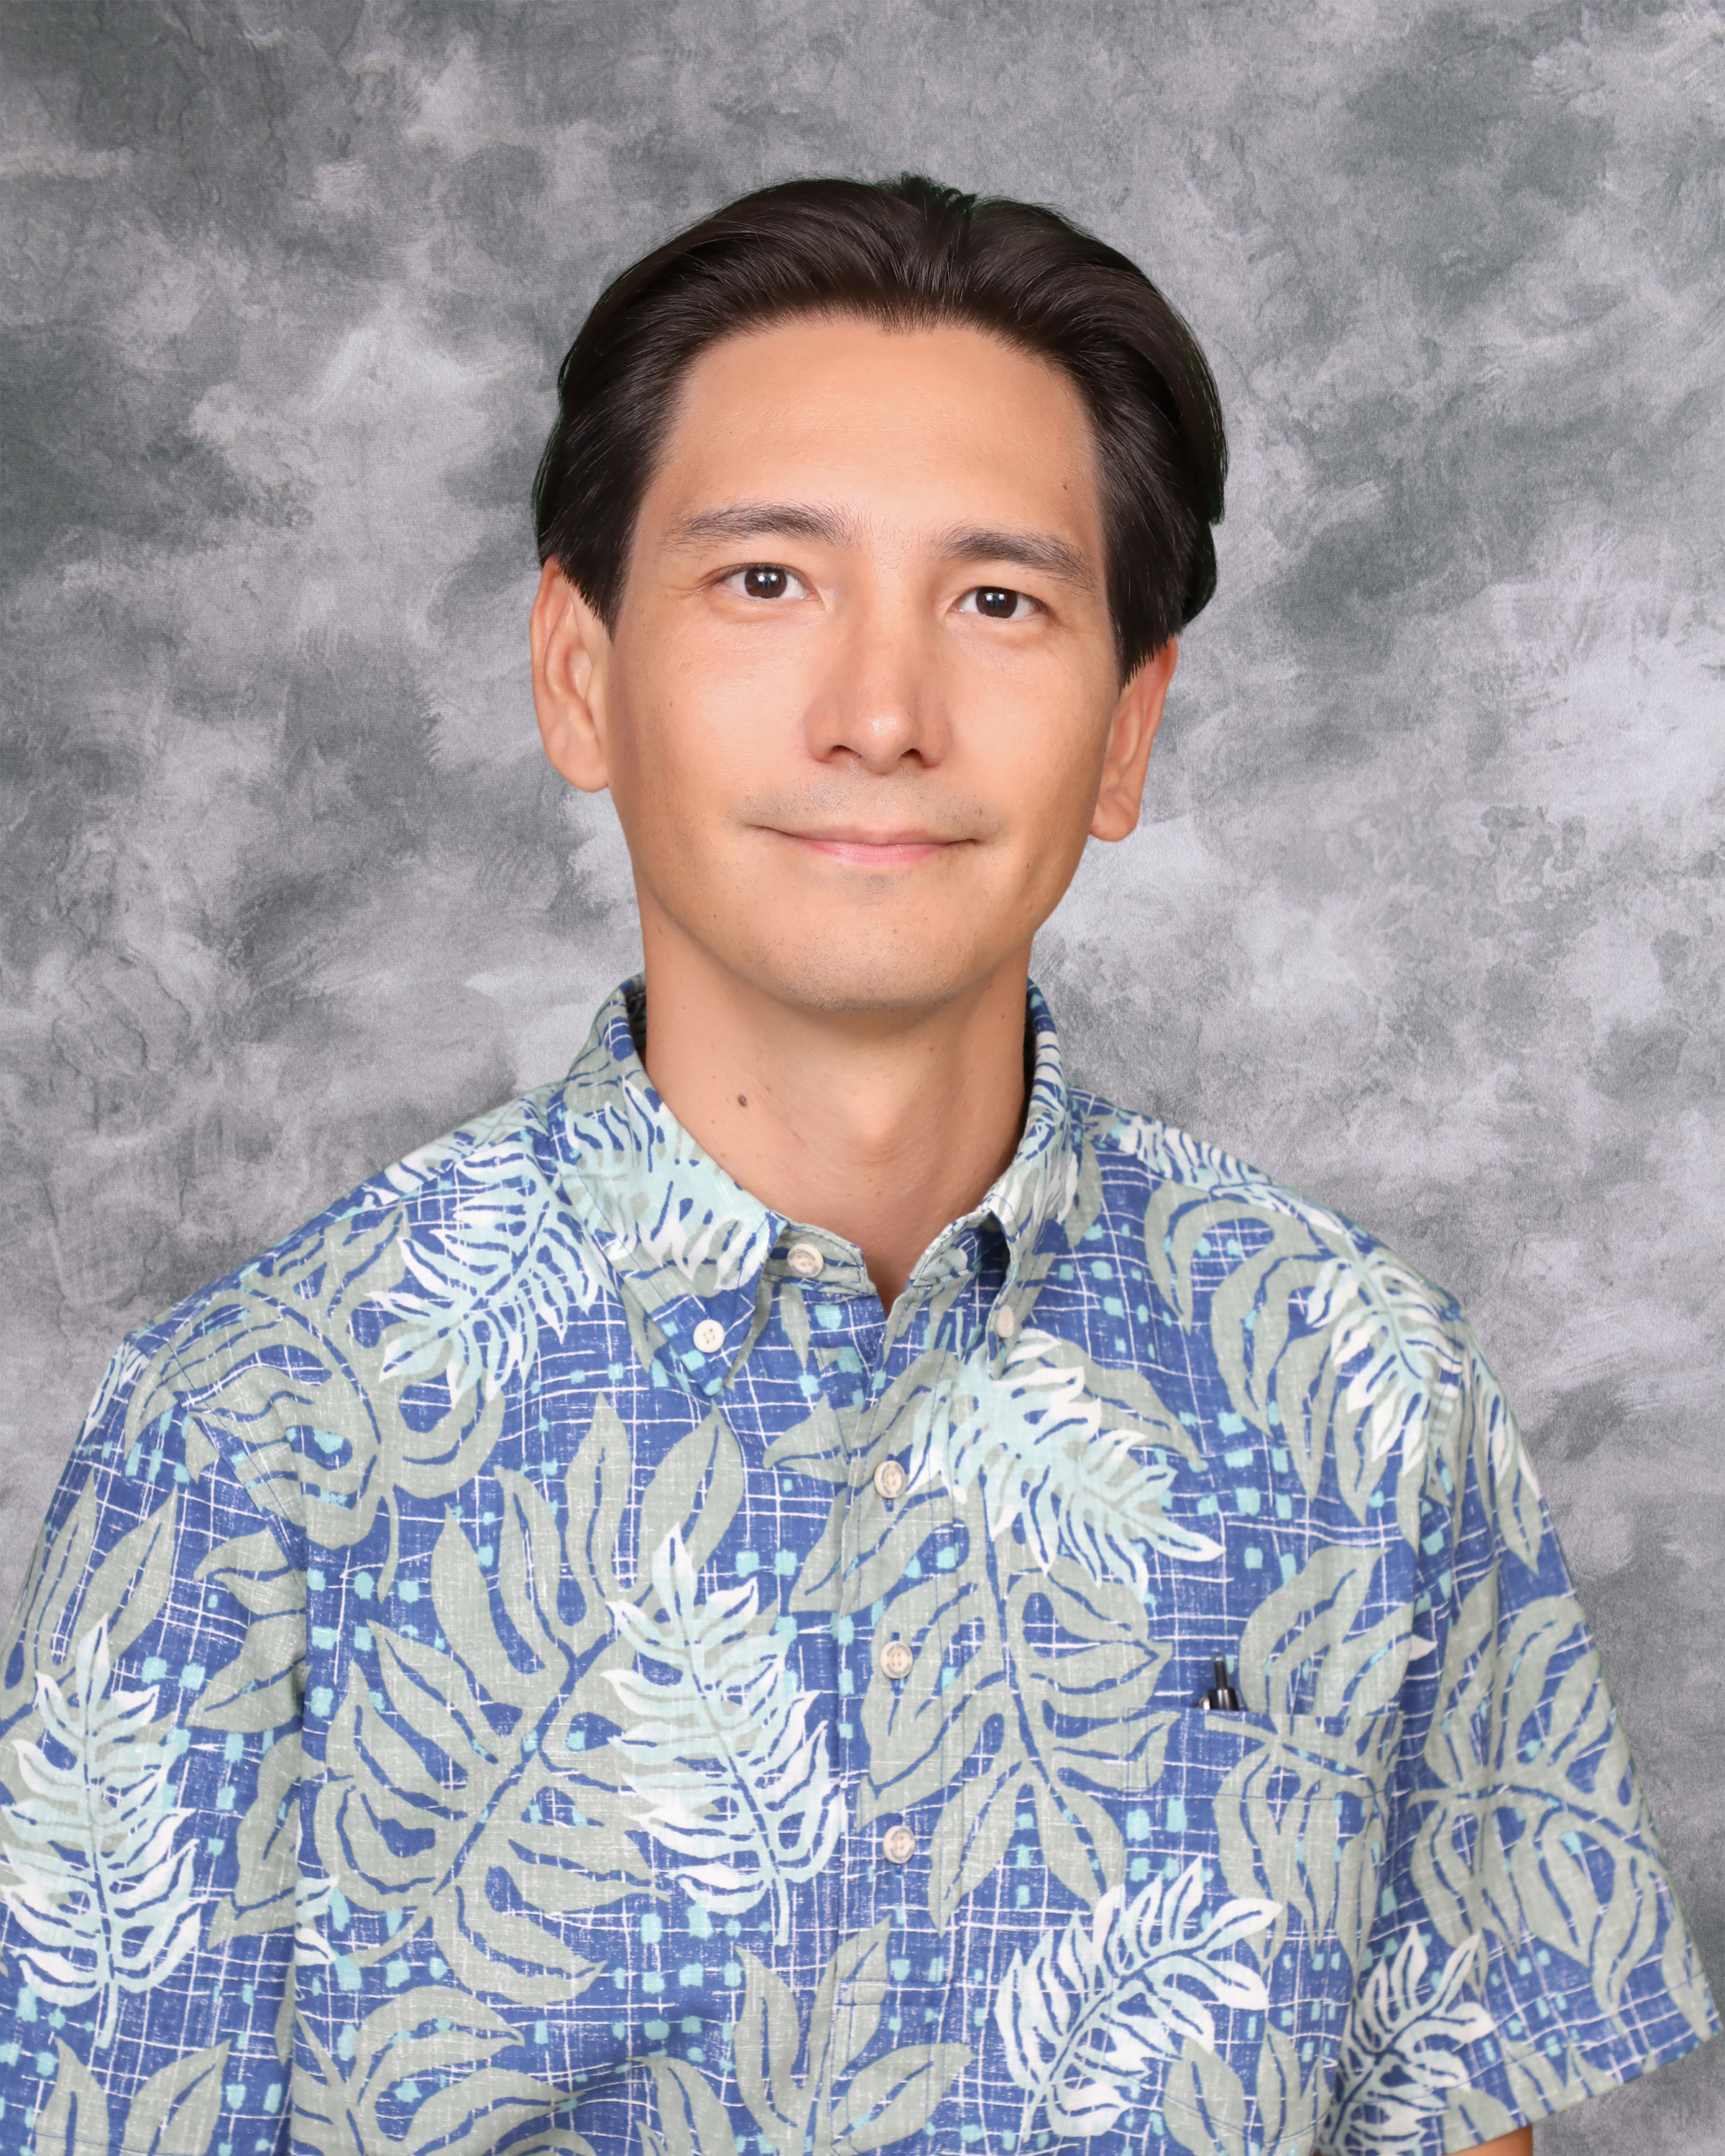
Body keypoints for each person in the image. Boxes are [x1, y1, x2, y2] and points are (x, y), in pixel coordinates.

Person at [0, 176, 1712, 2156]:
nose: (882, 716)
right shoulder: (251, 1437)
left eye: (998, 603)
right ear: (579, 673)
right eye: (767, 582)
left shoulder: (1367, 1387)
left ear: (1127, 730)